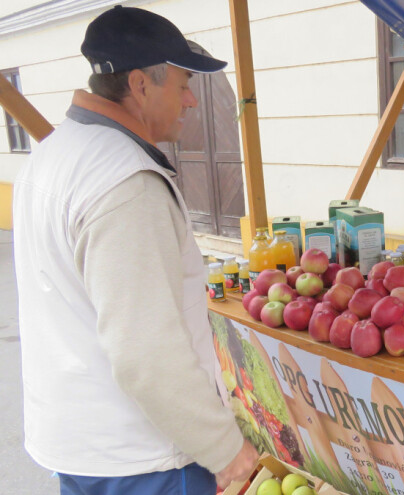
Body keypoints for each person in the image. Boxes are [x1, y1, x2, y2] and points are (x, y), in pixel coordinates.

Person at [13, 6, 258, 494]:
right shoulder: (125, 181)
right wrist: (225, 451)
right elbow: (145, 352)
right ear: (142, 85)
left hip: (82, 446)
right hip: (143, 459)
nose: (190, 100)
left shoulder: (55, 152)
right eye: (183, 83)